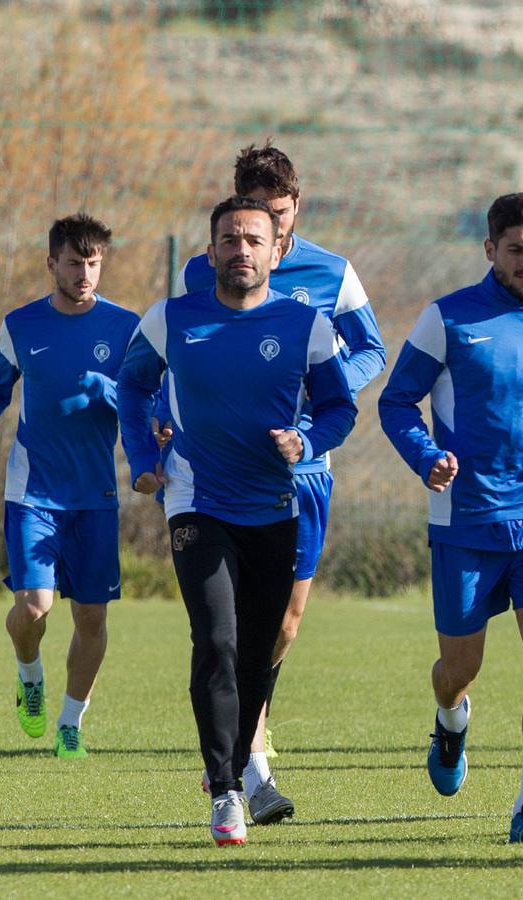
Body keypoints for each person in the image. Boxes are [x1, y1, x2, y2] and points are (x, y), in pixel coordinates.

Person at [117, 196, 357, 846]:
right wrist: (143, 456)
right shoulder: (171, 318)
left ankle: (236, 766)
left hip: (274, 505)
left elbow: (339, 406)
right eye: (229, 239)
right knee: (216, 640)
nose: (241, 250)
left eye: (253, 240)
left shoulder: (305, 325)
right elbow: (131, 385)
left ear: (276, 251)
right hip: (196, 501)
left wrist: (306, 441)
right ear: (211, 250)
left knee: (256, 652)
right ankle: (225, 790)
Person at [379, 193, 523, 844]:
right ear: (490, 250)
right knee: (459, 667)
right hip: (465, 521)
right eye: (516, 249)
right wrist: (426, 458)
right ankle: (450, 720)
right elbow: (396, 402)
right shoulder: (447, 318)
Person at [175, 143, 386, 796]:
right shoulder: (202, 271)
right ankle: (248, 767)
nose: (269, 224)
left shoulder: (332, 273)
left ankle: (241, 746)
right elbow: (177, 352)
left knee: (282, 625)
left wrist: (320, 392)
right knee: (225, 629)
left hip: (305, 470)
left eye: (282, 211)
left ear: (297, 206)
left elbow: (372, 350)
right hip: (220, 473)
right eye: (257, 210)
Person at [0, 213, 141, 760]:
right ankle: (29, 676)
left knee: (91, 617)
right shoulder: (21, 325)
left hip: (96, 495)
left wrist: (109, 390)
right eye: (74, 263)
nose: (85, 274)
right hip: (32, 491)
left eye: (93, 264)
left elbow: (146, 402)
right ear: (51, 264)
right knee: (35, 607)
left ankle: (70, 723)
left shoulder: (125, 327)